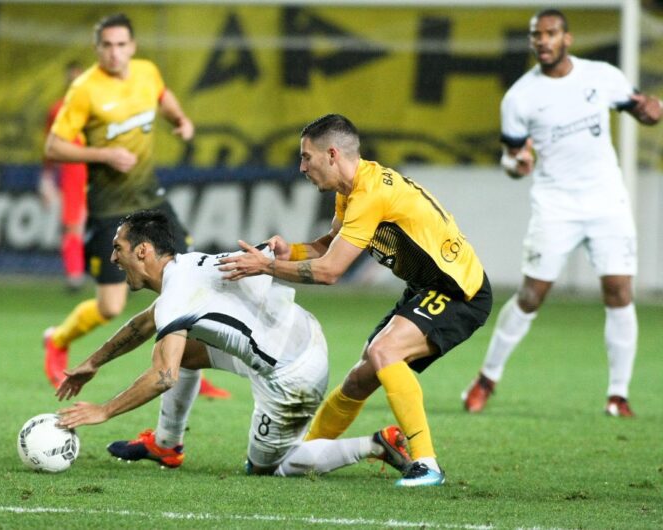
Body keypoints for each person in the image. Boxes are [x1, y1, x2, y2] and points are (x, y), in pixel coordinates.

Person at [218, 114, 492, 487]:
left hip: (458, 290)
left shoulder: (370, 193)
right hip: (425, 287)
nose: (302, 167)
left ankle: (427, 464)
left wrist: (265, 267)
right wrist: (288, 252)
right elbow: (327, 247)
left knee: (384, 353)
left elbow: (330, 271)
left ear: (332, 154)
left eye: (306, 157)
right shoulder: (351, 190)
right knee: (360, 378)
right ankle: (305, 455)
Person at [56, 209, 412, 480]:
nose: (113, 258)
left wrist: (104, 411)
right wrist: (94, 362)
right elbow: (145, 323)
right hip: (300, 332)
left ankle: (375, 444)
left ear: (143, 251)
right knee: (183, 352)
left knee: (269, 467)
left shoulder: (176, 299)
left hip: (293, 374)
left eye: (118, 249)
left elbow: (164, 377)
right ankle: (166, 445)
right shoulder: (187, 266)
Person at [461, 9, 661, 418]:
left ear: (566, 38)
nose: (543, 41)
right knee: (531, 295)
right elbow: (512, 157)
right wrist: (516, 165)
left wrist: (652, 112)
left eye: (551, 33)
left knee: (619, 291)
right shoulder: (519, 97)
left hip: (607, 202)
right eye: (537, 35)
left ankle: (618, 395)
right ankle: (486, 379)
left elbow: (643, 110)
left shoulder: (601, 76)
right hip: (555, 205)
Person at [42, 13, 230, 401]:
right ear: (98, 49)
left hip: (151, 198)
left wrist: (180, 119)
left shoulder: (147, 72)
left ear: (132, 46)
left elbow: (163, 97)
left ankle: (189, 362)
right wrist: (104, 154)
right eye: (107, 46)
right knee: (111, 306)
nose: (114, 52)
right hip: (110, 206)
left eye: (121, 45)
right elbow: (53, 147)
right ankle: (57, 339)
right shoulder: (84, 89)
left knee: (188, 279)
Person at [39, 61, 88, 292]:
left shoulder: (99, 109)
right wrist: (47, 177)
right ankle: (74, 275)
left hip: (99, 170)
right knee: (72, 226)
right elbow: (50, 146)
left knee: (110, 223)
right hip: (71, 172)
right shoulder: (57, 110)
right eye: (71, 79)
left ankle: (121, 275)